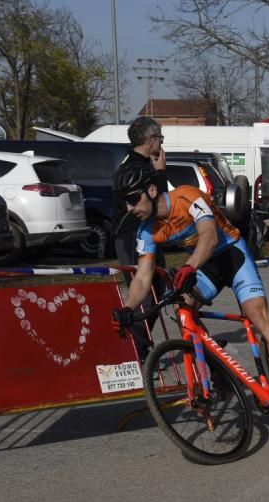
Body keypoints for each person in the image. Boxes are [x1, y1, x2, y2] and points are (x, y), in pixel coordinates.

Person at [109, 162, 269, 420]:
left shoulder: (187, 196)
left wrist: (189, 266)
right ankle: (217, 363)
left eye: (131, 199)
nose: (129, 208)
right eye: (124, 202)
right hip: (206, 265)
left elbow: (209, 236)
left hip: (232, 254)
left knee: (258, 317)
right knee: (184, 305)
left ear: (150, 190)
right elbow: (142, 277)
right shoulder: (146, 230)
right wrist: (127, 308)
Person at [113, 116, 169, 360]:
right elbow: (160, 203)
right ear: (150, 140)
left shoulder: (139, 161)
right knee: (144, 296)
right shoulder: (136, 168)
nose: (162, 144)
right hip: (131, 236)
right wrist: (160, 173)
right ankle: (132, 350)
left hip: (149, 234)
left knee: (157, 291)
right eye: (160, 138)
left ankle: (140, 345)